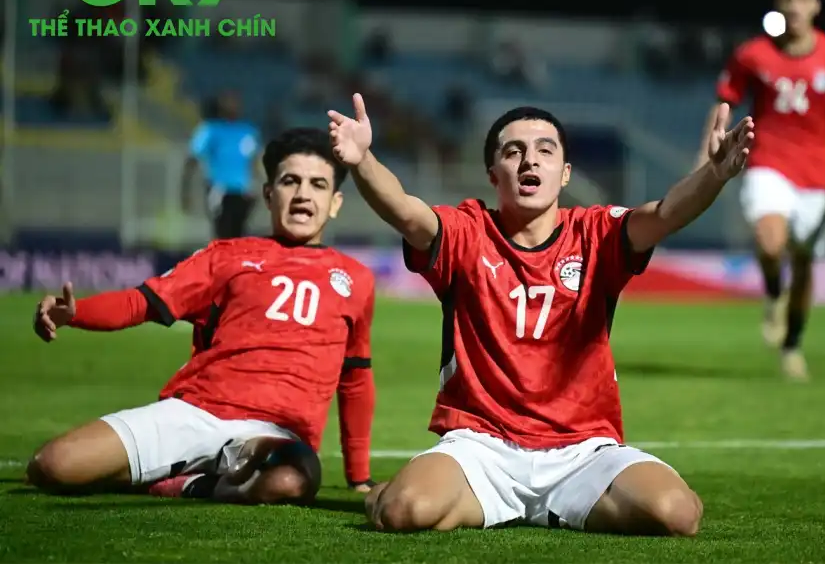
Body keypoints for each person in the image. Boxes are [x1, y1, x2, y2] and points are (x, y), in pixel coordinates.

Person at [327, 94, 753, 535]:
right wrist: (363, 161)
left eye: (545, 151)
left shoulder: (597, 233)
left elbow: (664, 214)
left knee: (677, 514)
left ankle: (536, 505)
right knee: (403, 511)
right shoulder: (467, 231)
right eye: (514, 152)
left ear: (565, 173)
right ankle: (414, 494)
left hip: (582, 452)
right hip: (481, 447)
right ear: (493, 174)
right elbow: (404, 210)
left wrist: (714, 175)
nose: (530, 160)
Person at [28, 128, 377, 504]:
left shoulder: (355, 279)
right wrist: (76, 313)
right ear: (267, 194)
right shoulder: (225, 255)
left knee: (290, 481)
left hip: (272, 436)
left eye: (317, 184)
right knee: (52, 465)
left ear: (335, 202)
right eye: (290, 181)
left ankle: (182, 483)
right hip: (196, 411)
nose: (303, 194)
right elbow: (141, 302)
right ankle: (190, 477)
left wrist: (359, 477)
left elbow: (355, 380)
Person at [696, 0, 825, 380]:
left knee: (805, 263)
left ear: (816, 6)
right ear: (777, 6)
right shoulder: (753, 55)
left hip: (816, 174)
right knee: (770, 239)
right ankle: (774, 292)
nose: (795, 7)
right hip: (767, 162)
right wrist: (709, 152)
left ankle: (792, 344)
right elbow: (725, 101)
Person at [181, 91, 262, 239]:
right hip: (219, 189)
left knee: (239, 233)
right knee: (223, 231)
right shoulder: (210, 130)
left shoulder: (247, 131)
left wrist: (256, 185)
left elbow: (253, 161)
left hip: (242, 191)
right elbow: (193, 158)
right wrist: (185, 190)